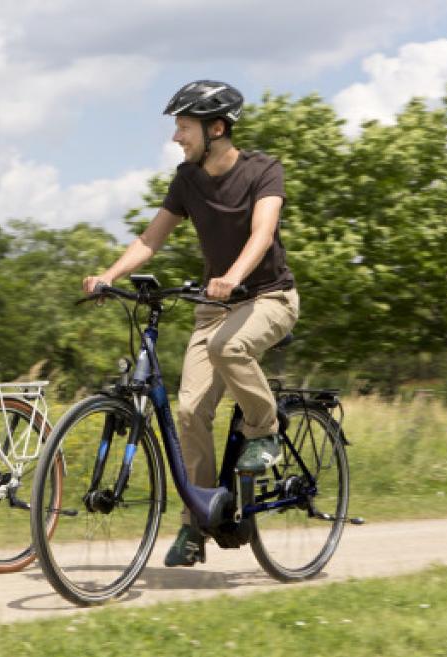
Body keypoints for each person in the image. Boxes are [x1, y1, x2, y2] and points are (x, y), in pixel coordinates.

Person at [82, 80, 299, 568]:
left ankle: (264, 430)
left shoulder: (263, 170)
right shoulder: (186, 180)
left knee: (230, 349)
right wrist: (109, 275)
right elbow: (151, 238)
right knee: (187, 414)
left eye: (184, 127)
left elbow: (263, 233)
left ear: (216, 128)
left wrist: (232, 277)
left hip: (269, 297)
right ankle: (197, 523)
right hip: (213, 308)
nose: (177, 137)